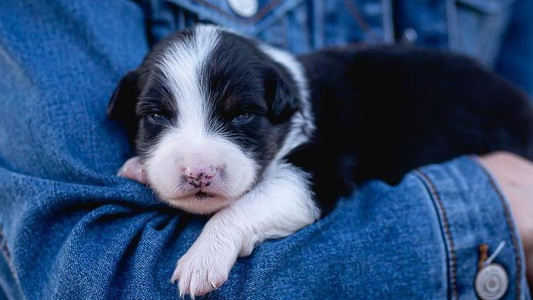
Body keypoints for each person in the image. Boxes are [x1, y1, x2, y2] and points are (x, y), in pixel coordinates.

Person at [0, 0, 532, 299]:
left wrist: (229, 230)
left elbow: (303, 191)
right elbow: (84, 263)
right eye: (160, 118)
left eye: (239, 119)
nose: (198, 164)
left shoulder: (313, 116)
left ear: (283, 109)